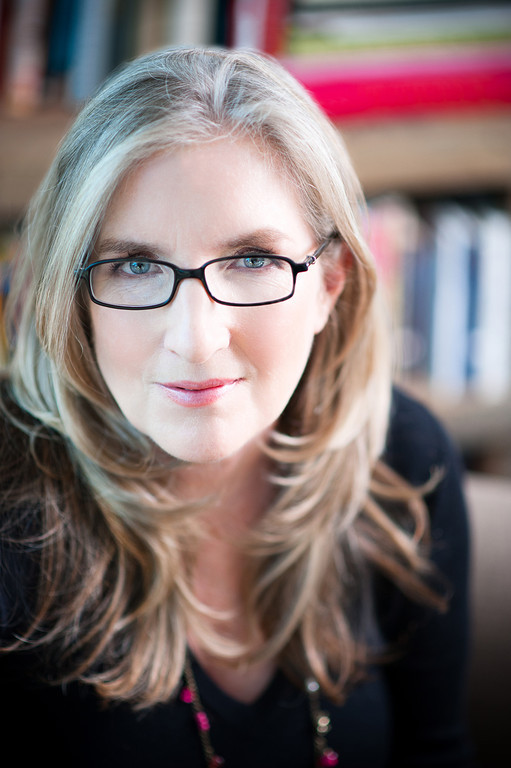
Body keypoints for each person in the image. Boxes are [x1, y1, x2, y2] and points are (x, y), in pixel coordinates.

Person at [0, 46, 474, 767]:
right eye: (135, 265)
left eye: (252, 260)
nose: (195, 339)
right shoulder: (11, 521)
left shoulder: (403, 462)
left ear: (330, 282)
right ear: (74, 298)